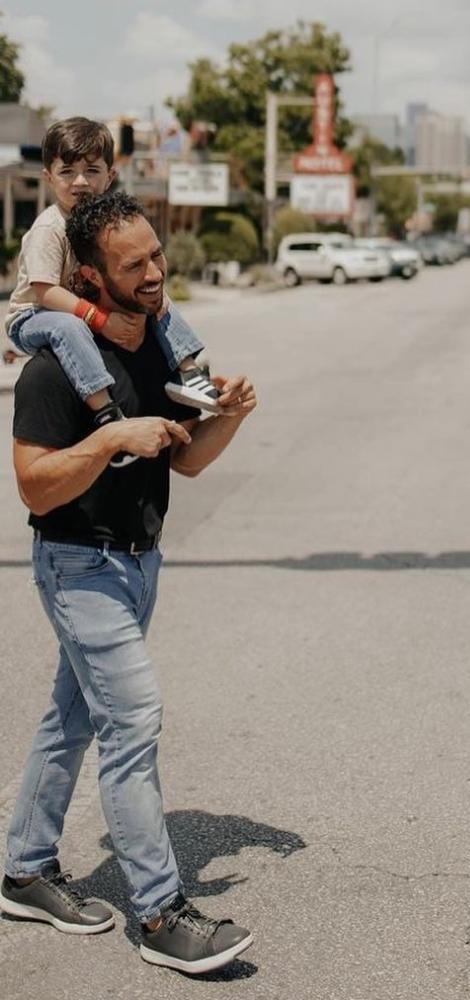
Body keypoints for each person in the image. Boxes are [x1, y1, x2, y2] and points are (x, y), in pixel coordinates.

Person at [0, 191, 258, 975]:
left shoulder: (155, 349)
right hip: (79, 564)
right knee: (133, 722)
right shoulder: (54, 367)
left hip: (139, 564)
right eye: (133, 264)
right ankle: (158, 914)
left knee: (72, 716)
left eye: (155, 256)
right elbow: (34, 489)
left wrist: (231, 416)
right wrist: (111, 433)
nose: (153, 273)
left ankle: (23, 867)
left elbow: (182, 458)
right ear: (89, 274)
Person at [3, 117, 220, 467]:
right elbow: (45, 292)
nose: (80, 182)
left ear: (110, 176)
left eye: (91, 170)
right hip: (33, 317)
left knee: (156, 296)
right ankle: (106, 411)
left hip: (72, 310)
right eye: (67, 172)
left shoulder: (103, 226)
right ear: (48, 178)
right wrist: (100, 320)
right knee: (68, 326)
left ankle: (190, 371)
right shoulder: (50, 227)